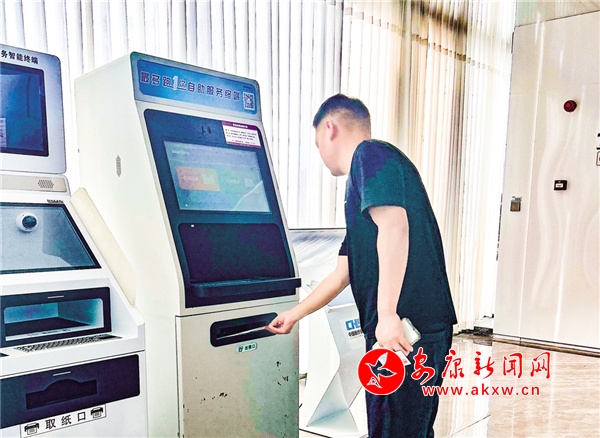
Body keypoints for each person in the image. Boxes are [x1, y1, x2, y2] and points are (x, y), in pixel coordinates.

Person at [267, 94, 457, 437]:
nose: (320, 153)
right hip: (411, 330)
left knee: (394, 428)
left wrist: (387, 315)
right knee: (407, 428)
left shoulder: (370, 155)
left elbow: (395, 226)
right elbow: (342, 273)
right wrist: (294, 315)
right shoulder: (365, 184)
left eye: (317, 143)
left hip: (405, 331)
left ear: (329, 128)